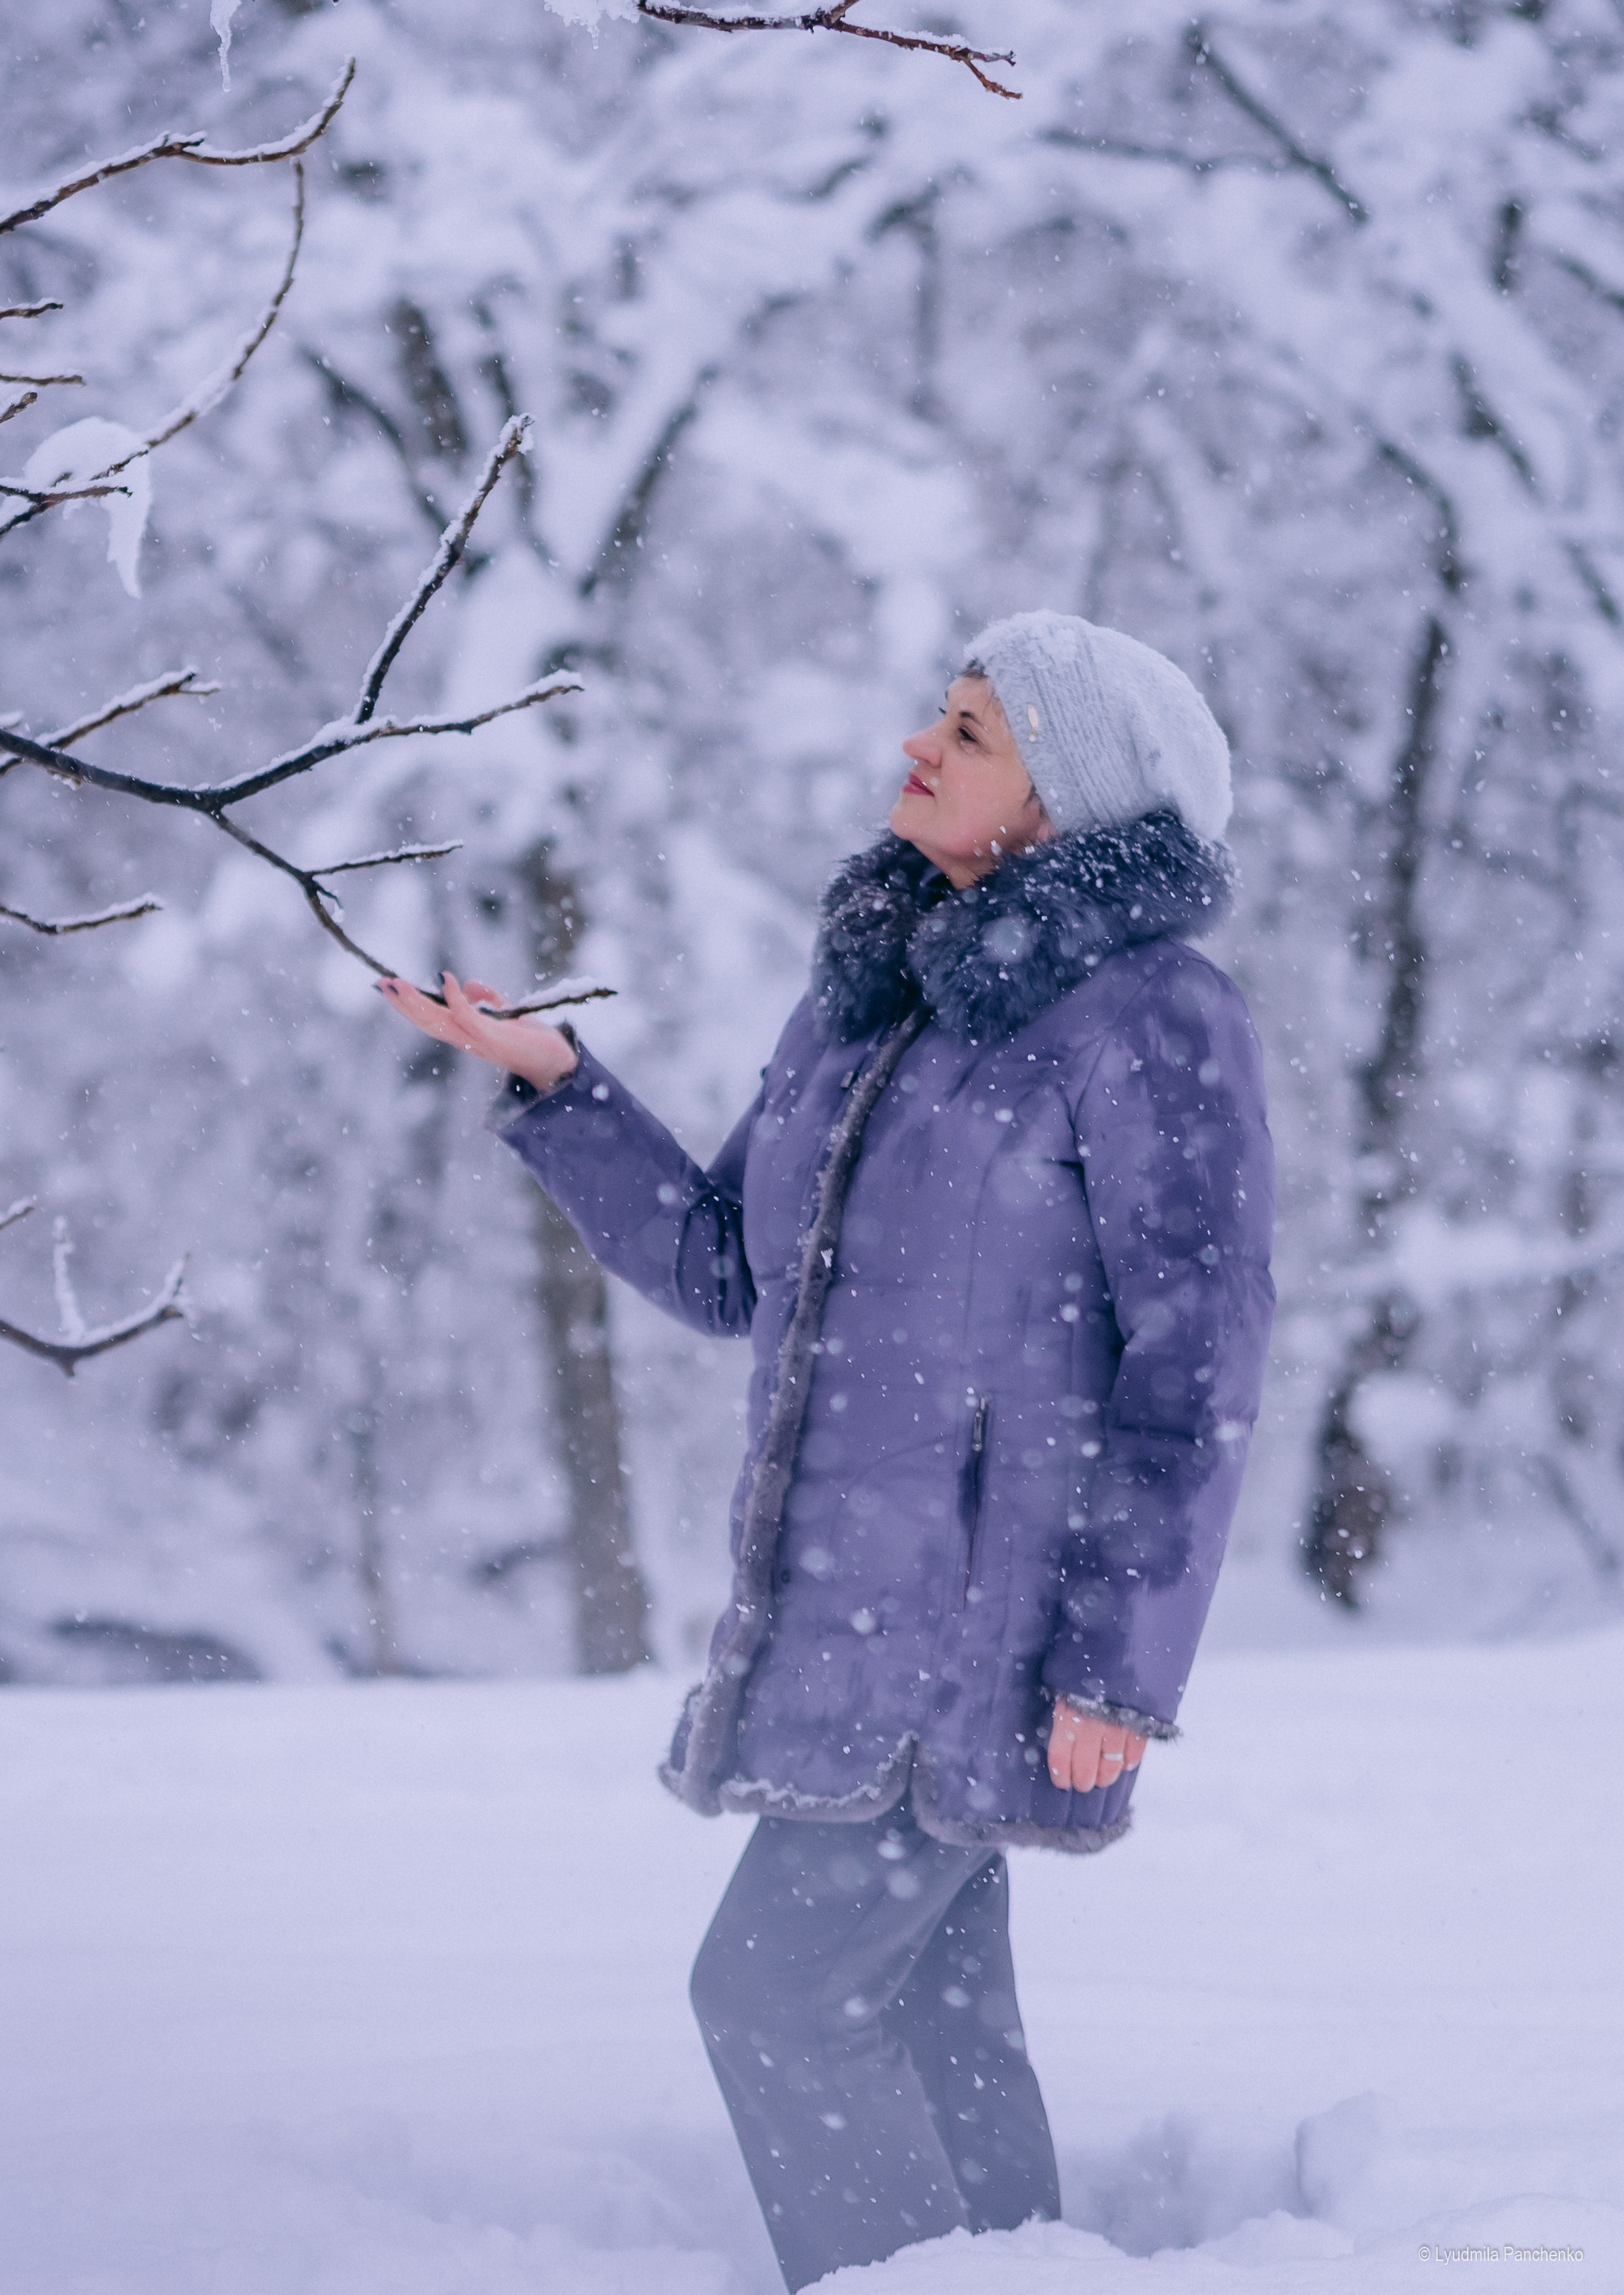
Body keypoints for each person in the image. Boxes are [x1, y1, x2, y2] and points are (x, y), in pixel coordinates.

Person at [380, 608, 1276, 2291]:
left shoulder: (1144, 1015)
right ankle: (1016, 2267)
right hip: (845, 1618)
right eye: (933, 713)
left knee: (773, 1997)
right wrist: (559, 1084)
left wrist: (1115, 1663)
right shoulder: (870, 1011)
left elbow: (1196, 1357)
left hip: (986, 1631)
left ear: (1068, 801)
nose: (917, 748)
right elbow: (729, 1262)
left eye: (971, 733)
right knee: (930, 2010)